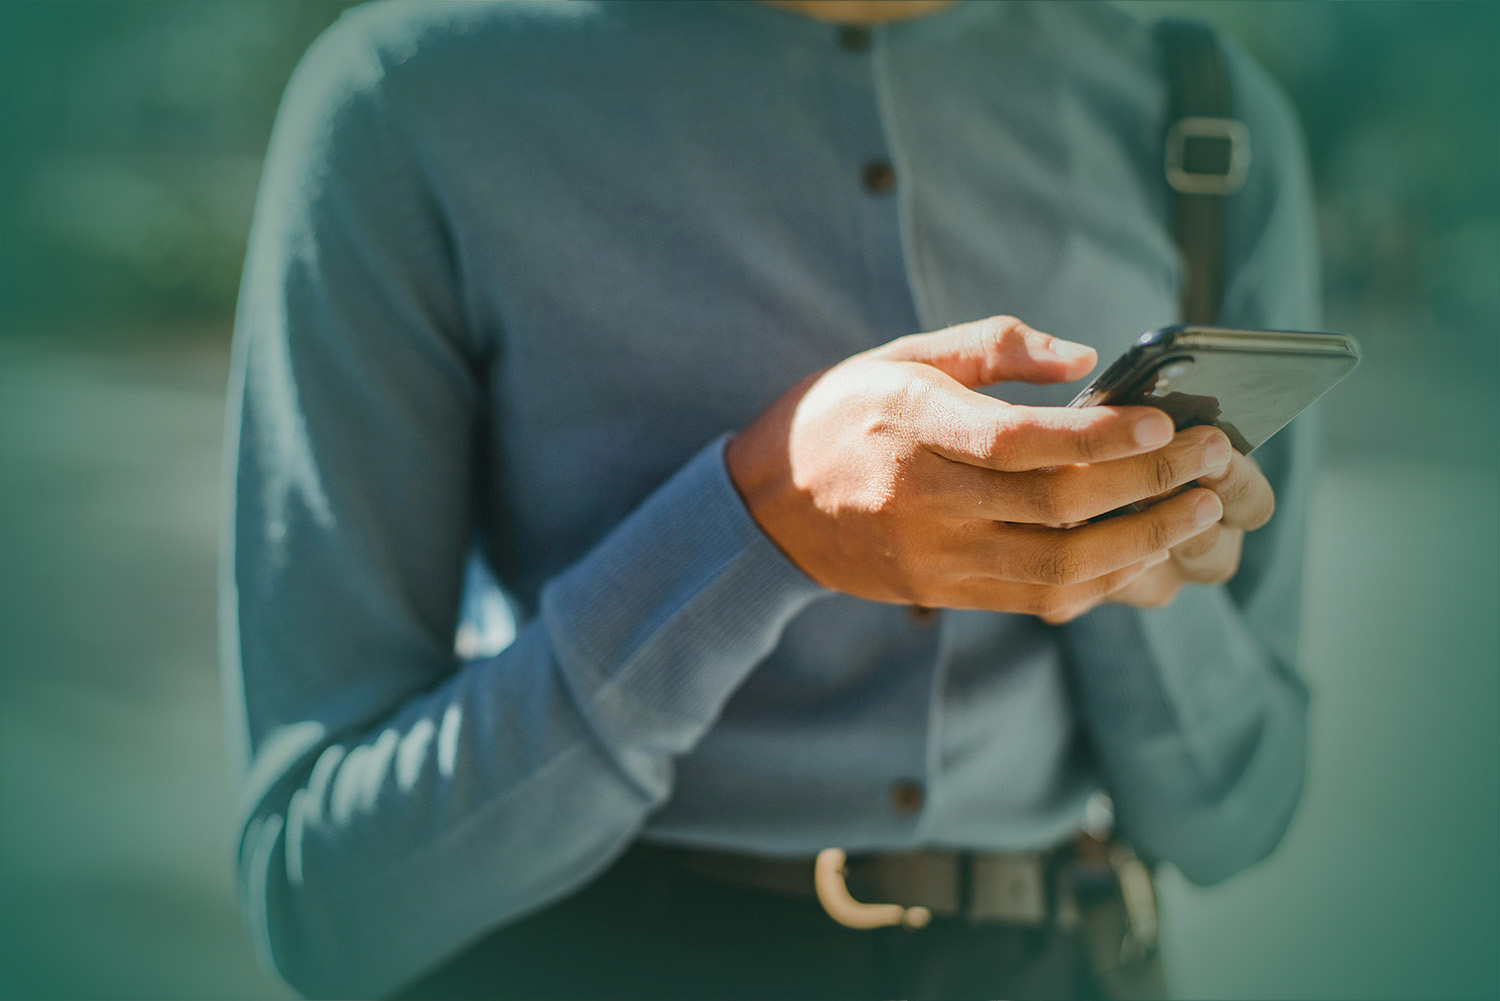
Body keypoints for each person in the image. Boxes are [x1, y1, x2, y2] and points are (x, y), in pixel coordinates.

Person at [222, 1, 1321, 997]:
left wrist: (1114, 540)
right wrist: (762, 520)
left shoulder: (1204, 117)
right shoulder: (413, 97)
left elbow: (1237, 814)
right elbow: (328, 903)